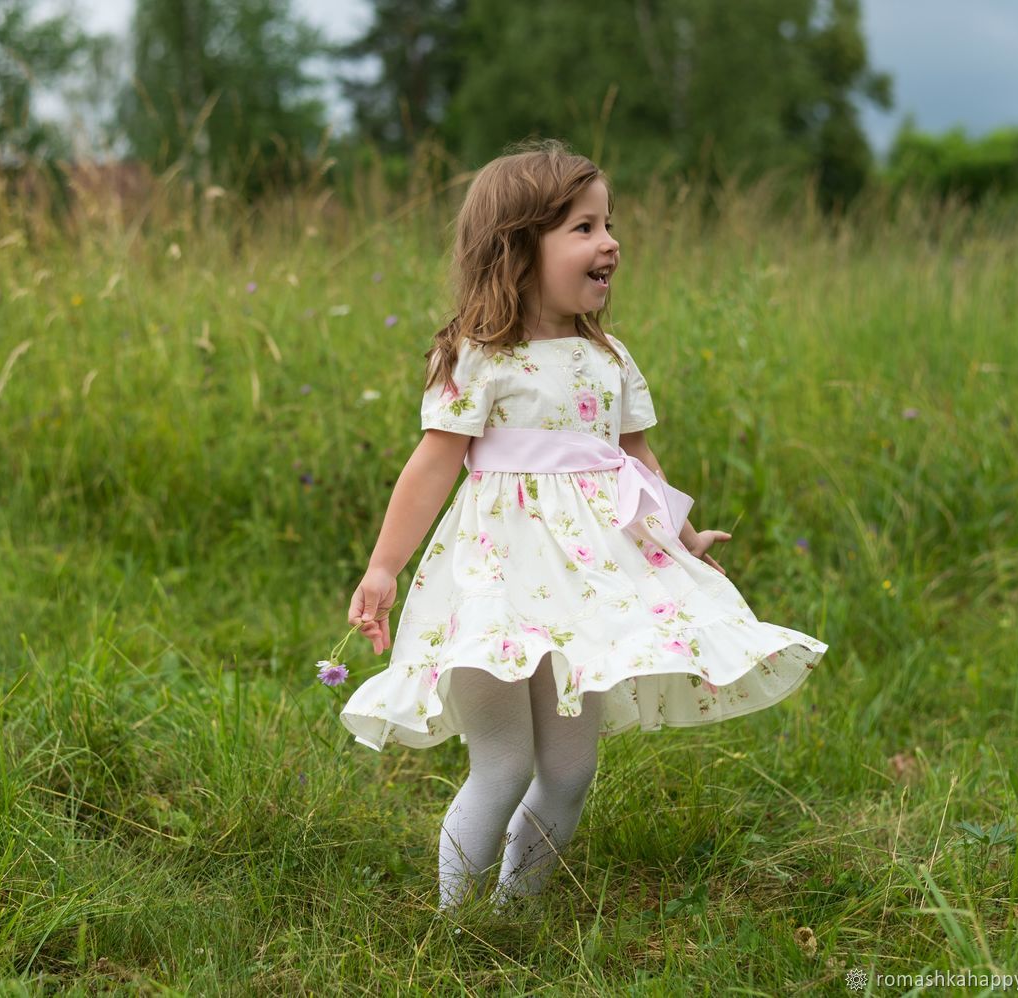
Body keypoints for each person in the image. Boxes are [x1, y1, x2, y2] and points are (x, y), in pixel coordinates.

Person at [338, 138, 828, 915]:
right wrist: (383, 568)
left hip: (587, 588)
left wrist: (679, 541)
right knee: (501, 767)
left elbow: (637, 462)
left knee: (567, 771)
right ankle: (452, 926)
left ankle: (513, 914)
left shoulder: (609, 360)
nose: (610, 243)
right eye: (584, 228)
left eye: (609, 226)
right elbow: (432, 466)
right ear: (518, 248)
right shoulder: (481, 356)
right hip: (496, 581)